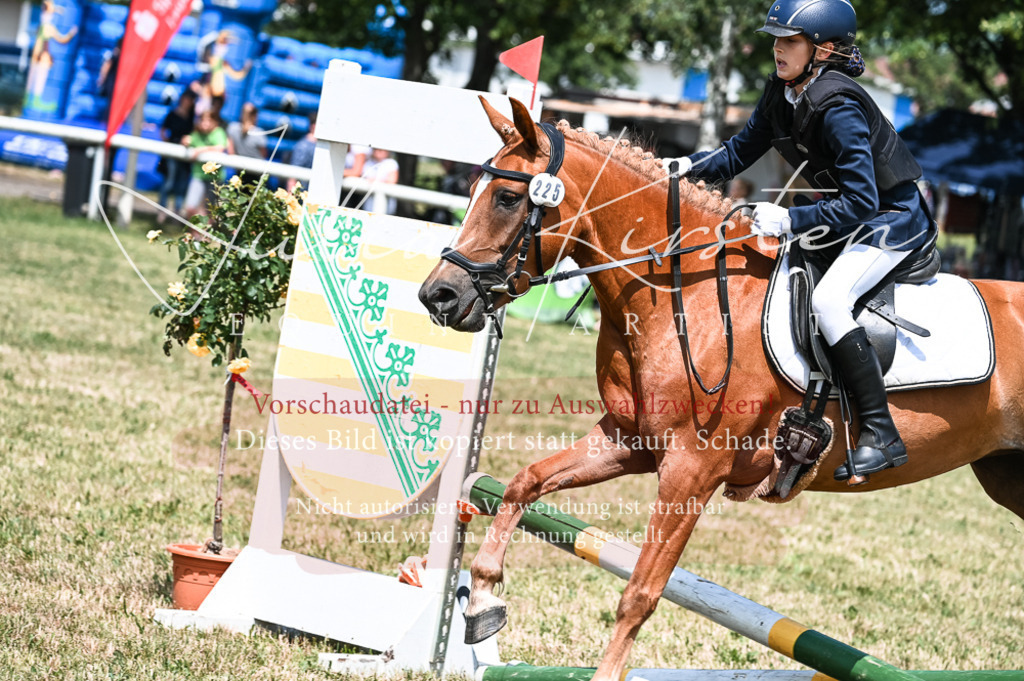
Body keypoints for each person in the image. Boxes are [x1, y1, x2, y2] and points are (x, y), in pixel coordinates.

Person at [668, 0, 934, 482]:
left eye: (789, 40)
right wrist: (686, 168)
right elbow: (739, 151)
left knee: (831, 302)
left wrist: (791, 219)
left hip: (890, 220)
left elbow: (861, 201)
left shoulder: (839, 105)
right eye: (775, 39)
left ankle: (881, 431)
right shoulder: (784, 91)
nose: (776, 49)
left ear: (824, 49)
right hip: (846, 217)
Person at [157, 89, 196, 223]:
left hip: (185, 154)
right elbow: (163, 130)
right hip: (172, 151)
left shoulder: (192, 117)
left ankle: (177, 212)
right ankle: (162, 210)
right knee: (169, 181)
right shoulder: (173, 114)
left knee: (181, 184)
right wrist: (167, 144)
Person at [181, 110, 228, 220]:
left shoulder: (218, 132)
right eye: (203, 120)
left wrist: (201, 150)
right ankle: (194, 234)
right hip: (198, 174)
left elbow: (220, 148)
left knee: (210, 210)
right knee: (190, 207)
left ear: (214, 122)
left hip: (215, 178)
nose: (205, 124)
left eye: (208, 121)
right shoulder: (196, 133)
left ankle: (205, 235)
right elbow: (187, 142)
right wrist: (184, 141)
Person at [360, 147, 399, 214]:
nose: (378, 151)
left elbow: (392, 180)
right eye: (376, 149)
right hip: (369, 204)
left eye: (382, 149)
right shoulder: (368, 163)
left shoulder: (391, 163)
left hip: (387, 205)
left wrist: (375, 181)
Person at [287, 111, 317, 192]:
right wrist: (290, 194)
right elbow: (294, 172)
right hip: (302, 192)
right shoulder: (303, 146)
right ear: (314, 126)